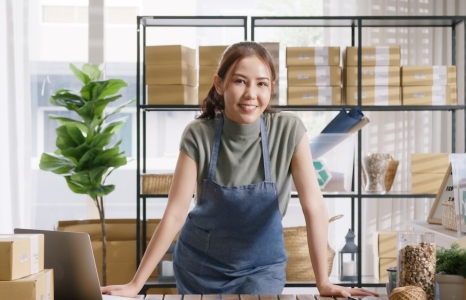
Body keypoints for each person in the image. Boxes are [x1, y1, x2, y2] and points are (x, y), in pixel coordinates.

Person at [101, 41, 378, 298]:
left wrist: (324, 282)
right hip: (200, 268)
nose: (251, 94)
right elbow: (174, 214)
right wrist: (136, 284)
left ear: (271, 88)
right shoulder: (199, 134)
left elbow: (314, 206)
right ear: (219, 85)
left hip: (261, 269)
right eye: (240, 81)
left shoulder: (288, 130)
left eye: (262, 84)